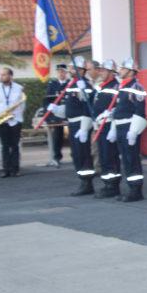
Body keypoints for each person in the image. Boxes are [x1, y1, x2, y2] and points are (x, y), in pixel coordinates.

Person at [111, 58, 147, 202]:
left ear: (130, 71)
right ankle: (130, 187)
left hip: (129, 127)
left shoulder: (136, 87)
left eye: (122, 68)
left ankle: (136, 190)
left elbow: (140, 110)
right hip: (120, 126)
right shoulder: (123, 86)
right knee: (125, 159)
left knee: (132, 159)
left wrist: (133, 131)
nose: (120, 71)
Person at [90, 59, 123, 199]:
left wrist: (112, 113)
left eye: (103, 70)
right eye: (100, 70)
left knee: (110, 156)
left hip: (109, 125)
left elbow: (120, 105)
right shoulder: (101, 86)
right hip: (100, 125)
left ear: (111, 72)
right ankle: (106, 183)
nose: (100, 72)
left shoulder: (116, 86)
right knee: (103, 156)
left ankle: (113, 185)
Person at [63, 56, 96, 195]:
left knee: (83, 153)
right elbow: (70, 106)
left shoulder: (85, 86)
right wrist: (56, 109)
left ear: (80, 70)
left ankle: (87, 182)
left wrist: (84, 128)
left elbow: (88, 107)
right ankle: (82, 179)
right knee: (75, 154)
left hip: (81, 123)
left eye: (72, 67)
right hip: (72, 123)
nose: (69, 70)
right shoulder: (71, 84)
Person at [0, 67, 25, 178]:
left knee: (15, 146)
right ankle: (6, 169)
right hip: (2, 120)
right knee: (4, 146)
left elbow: (22, 104)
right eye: (1, 75)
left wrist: (14, 115)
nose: (2, 77)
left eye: (4, 75)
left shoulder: (19, 88)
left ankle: (15, 169)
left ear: (10, 76)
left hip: (15, 120)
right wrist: (1, 115)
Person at [42, 63, 69, 167]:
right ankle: (57, 156)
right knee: (57, 136)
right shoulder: (52, 84)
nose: (61, 73)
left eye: (62, 71)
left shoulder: (69, 83)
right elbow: (48, 98)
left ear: (66, 73)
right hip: (57, 113)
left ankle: (75, 156)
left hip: (68, 112)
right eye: (59, 71)